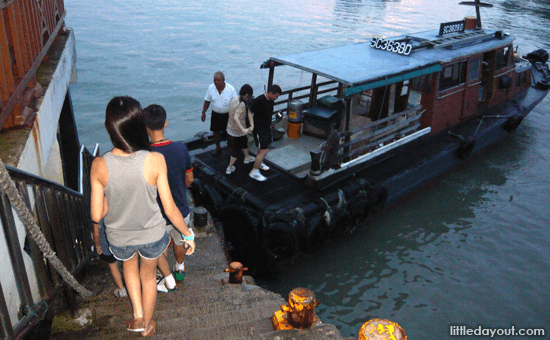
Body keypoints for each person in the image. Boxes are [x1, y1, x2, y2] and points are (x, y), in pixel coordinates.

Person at [90, 96, 195, 337]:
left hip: (119, 237)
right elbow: (170, 209)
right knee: (148, 277)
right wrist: (188, 235)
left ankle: (137, 314)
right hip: (151, 234)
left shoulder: (99, 164)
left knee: (129, 268)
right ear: (140, 126)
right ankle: (147, 324)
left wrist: (110, 197)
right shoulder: (155, 160)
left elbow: (97, 214)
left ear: (109, 128)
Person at [143, 104, 194, 291]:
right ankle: (180, 267)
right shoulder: (181, 147)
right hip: (180, 209)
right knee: (179, 242)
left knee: (161, 247)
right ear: (165, 123)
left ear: (146, 128)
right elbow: (190, 178)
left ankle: (165, 277)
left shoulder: (144, 154)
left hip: (156, 214)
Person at [248, 84, 283, 181]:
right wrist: (251, 126)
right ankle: (254, 171)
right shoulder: (259, 100)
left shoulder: (271, 101)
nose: (276, 98)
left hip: (267, 127)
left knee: (262, 149)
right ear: (271, 93)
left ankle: (259, 163)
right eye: (276, 96)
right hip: (259, 129)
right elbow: (250, 113)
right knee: (264, 150)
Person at [201, 71, 238, 156]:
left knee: (230, 134)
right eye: (215, 80)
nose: (216, 82)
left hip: (227, 115)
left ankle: (230, 149)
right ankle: (218, 148)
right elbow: (207, 101)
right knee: (215, 133)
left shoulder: (231, 89)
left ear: (223, 80)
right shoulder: (211, 88)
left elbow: (236, 103)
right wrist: (203, 112)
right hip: (216, 114)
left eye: (218, 80)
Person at [93, 217, 127, 298]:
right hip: (122, 238)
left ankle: (121, 289)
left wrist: (97, 245)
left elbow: (96, 231)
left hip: (107, 242)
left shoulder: (98, 209)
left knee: (112, 264)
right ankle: (132, 286)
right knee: (128, 262)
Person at [225, 84, 255, 174]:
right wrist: (244, 129)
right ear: (247, 94)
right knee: (236, 149)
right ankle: (229, 168)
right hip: (238, 129)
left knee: (243, 142)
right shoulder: (242, 104)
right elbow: (236, 117)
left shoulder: (235, 99)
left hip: (231, 127)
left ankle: (247, 157)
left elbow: (229, 111)